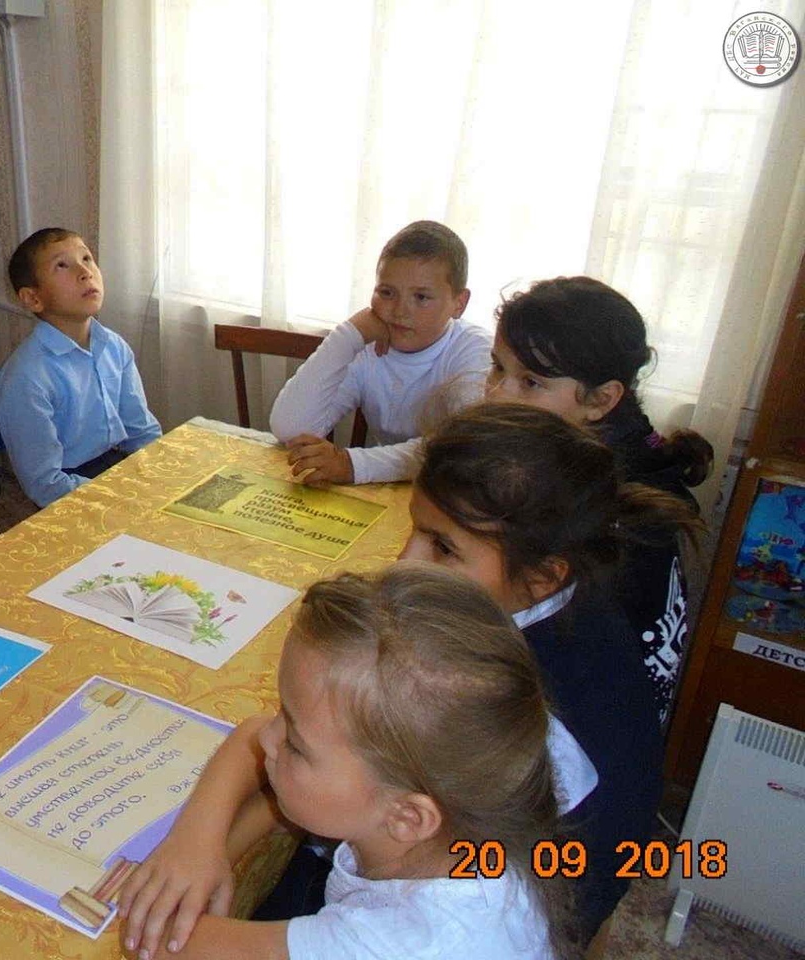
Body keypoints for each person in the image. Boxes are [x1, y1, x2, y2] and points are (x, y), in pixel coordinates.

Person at [119, 565, 580, 960]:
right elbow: (251, 741)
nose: (266, 735)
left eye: (295, 743)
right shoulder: (460, 800)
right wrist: (195, 841)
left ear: (407, 817)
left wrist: (185, 866)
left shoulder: (401, 942)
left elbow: (165, 943)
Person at [401, 402, 701, 939]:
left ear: (542, 576)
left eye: (442, 547)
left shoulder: (512, 699)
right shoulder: (567, 593)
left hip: (527, 915)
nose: (405, 561)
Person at [485, 276, 714, 722]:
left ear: (602, 399)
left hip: (575, 735)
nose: (497, 394)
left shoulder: (598, 507)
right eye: (497, 368)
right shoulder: (618, 455)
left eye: (530, 382)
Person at [268, 220, 490, 485]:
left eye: (421, 297)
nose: (400, 311)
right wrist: (348, 335)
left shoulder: (475, 351)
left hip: (449, 491)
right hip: (385, 490)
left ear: (459, 303)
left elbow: (459, 447)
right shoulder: (366, 346)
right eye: (386, 293)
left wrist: (353, 465)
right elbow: (290, 429)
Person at [0, 227, 162, 508]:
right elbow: (44, 483)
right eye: (62, 265)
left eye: (86, 258)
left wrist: (160, 472)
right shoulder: (26, 377)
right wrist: (119, 496)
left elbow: (141, 430)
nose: (85, 272)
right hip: (70, 491)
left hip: (120, 468)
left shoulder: (113, 346)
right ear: (33, 298)